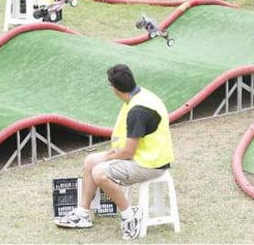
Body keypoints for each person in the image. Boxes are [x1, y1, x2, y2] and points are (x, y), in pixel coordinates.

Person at [54, 64, 174, 241]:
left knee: (99, 172)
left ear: (115, 88)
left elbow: (128, 153)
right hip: (142, 157)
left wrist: (108, 156)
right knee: (90, 161)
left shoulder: (138, 111)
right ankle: (83, 213)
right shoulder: (140, 96)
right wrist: (108, 155)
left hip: (150, 164)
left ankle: (129, 215)